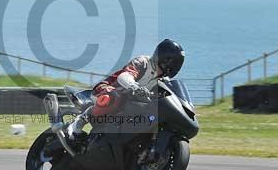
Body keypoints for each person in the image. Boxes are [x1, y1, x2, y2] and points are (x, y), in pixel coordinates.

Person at [57, 39, 185, 147]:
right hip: (108, 89)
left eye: (177, 63)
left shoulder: (163, 81)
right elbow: (124, 76)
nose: (173, 66)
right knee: (113, 97)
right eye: (172, 61)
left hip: (128, 106)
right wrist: (134, 86)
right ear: (163, 57)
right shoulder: (143, 62)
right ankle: (77, 124)